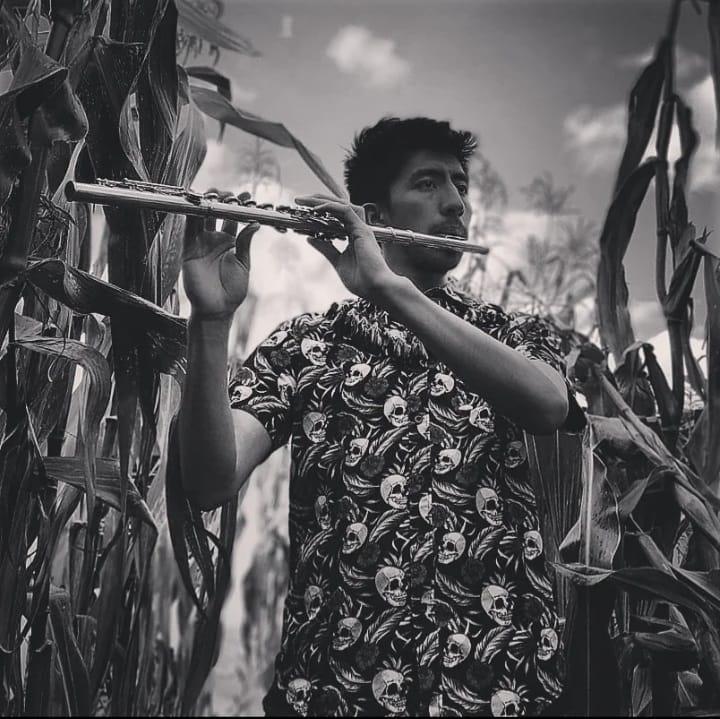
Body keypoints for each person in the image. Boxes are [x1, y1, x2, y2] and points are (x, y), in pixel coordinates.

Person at [178, 117, 585, 717]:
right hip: (334, 692)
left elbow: (548, 405)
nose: (456, 203)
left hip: (500, 691)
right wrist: (211, 323)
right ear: (372, 217)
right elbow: (210, 479)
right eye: (427, 183)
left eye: (460, 184)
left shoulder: (511, 335)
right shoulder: (308, 346)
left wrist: (389, 289)